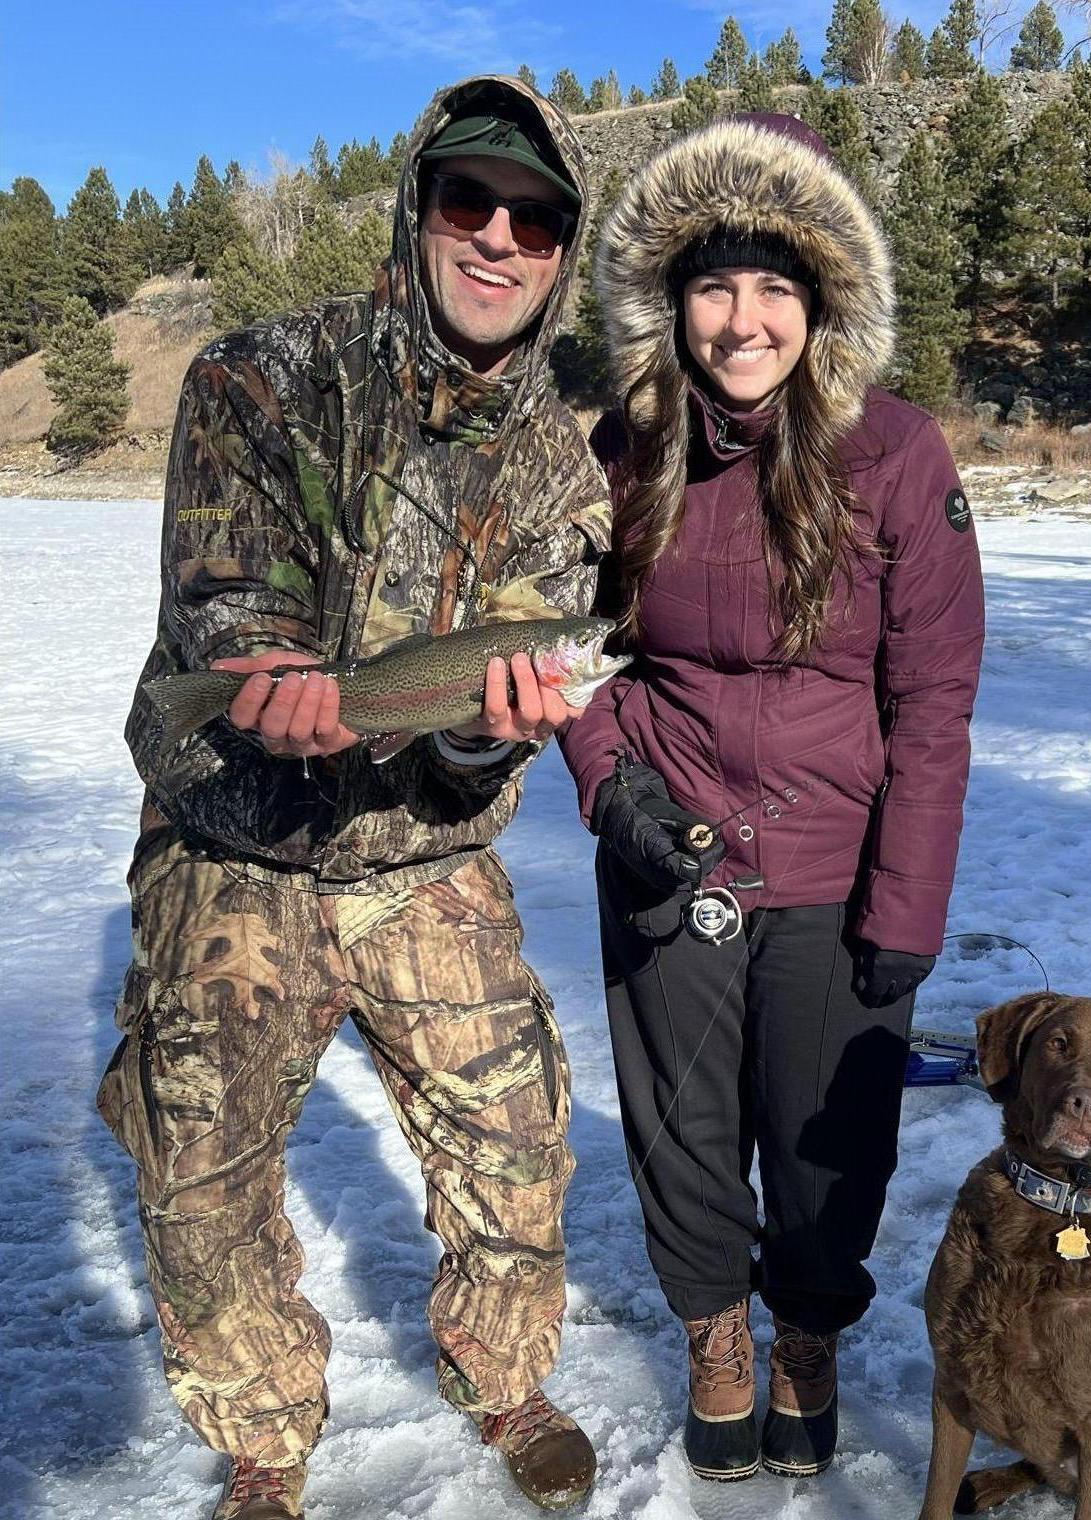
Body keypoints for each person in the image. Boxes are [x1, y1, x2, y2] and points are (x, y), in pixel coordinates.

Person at [98, 77, 610, 1520]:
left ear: (565, 249)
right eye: (471, 201)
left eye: (538, 218)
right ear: (420, 209)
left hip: (423, 855)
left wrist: (481, 745)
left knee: (518, 1141)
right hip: (236, 836)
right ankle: (265, 1438)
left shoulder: (566, 469)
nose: (501, 237)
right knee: (199, 1172)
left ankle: (503, 1378)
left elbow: (482, 729)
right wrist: (267, 675)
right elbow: (226, 594)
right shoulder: (260, 375)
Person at [559, 114, 984, 1483]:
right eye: (714, 286)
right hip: (670, 851)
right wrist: (612, 788)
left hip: (837, 863)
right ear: (670, 303)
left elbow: (933, 702)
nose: (743, 321)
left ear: (822, 303)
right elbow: (584, 658)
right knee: (680, 1135)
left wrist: (906, 904)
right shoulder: (622, 453)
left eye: (774, 287)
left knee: (825, 1145)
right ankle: (716, 1336)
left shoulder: (901, 456)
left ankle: (806, 1333)